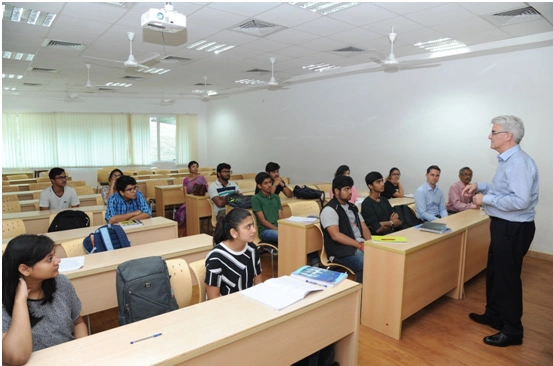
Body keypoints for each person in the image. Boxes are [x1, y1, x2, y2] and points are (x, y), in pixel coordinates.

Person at [463, 115, 539, 347]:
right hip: (503, 225)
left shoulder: (519, 162)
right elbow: (503, 188)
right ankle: (494, 314)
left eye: (494, 132)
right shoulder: (508, 160)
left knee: (507, 279)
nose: (489, 136)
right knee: (495, 273)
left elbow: (519, 201)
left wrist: (485, 198)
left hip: (513, 228)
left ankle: (513, 330)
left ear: (508, 136)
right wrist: (481, 185)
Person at [2, 235, 88, 365]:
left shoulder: (61, 283)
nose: (58, 261)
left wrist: (83, 351)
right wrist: (20, 300)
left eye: (54, 255)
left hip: (71, 358)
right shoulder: (4, 302)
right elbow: (16, 357)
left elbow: (78, 323)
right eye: (49, 259)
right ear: (25, 269)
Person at [320, 175, 371, 283]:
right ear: (337, 191)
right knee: (365, 263)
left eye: (350, 189)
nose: (350, 192)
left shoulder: (352, 207)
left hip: (359, 245)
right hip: (340, 250)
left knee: (382, 256)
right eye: (346, 189)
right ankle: (361, 295)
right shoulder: (330, 210)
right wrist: (359, 245)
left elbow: (364, 227)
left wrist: (370, 244)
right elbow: (335, 235)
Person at [204, 208, 262, 299]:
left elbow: (258, 285)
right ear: (234, 233)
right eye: (248, 227)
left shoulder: (252, 249)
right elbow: (213, 298)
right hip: (225, 308)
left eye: (253, 225)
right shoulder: (216, 258)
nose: (254, 230)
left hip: (249, 304)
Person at [251, 172, 283, 244]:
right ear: (259, 186)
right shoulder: (256, 199)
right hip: (265, 230)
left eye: (270, 182)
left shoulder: (276, 197)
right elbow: (263, 221)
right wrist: (278, 229)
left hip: (278, 227)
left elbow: (281, 216)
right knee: (284, 235)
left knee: (297, 231)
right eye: (265, 183)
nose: (269, 185)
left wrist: (284, 227)